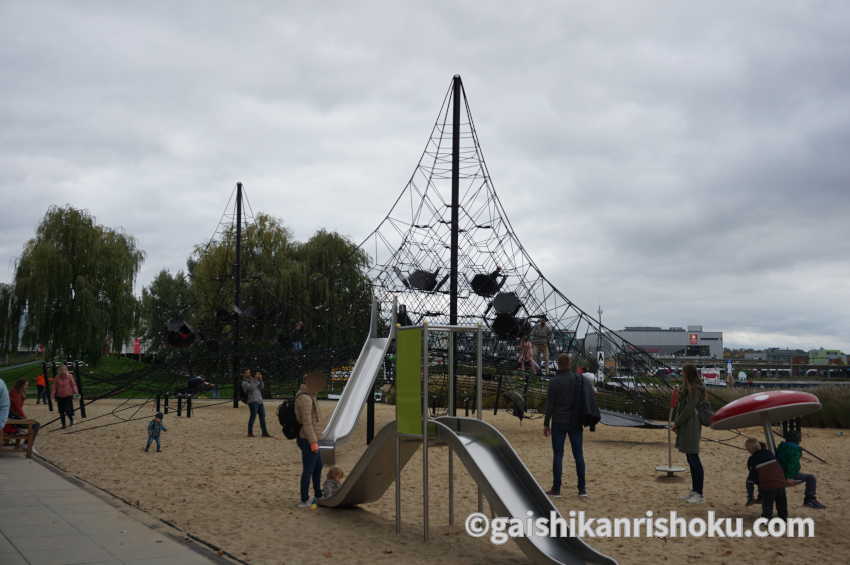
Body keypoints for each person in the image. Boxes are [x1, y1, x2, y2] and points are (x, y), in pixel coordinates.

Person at [543, 354, 599, 497]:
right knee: (578, 455)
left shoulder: (554, 382)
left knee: (558, 455)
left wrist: (546, 423)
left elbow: (550, 405)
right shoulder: (578, 379)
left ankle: (556, 489)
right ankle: (582, 489)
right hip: (575, 422)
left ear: (558, 364)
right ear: (570, 363)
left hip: (558, 422)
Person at [673, 364, 705, 504]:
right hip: (687, 425)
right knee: (691, 458)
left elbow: (689, 409)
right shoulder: (688, 389)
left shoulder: (695, 389)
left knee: (693, 458)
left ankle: (699, 493)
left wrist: (677, 423)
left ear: (688, 374)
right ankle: (694, 491)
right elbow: (683, 406)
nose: (681, 374)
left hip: (691, 425)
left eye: (683, 372)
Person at [295, 372, 325, 508]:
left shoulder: (311, 396)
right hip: (308, 439)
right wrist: (313, 442)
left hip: (313, 438)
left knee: (318, 466)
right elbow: (307, 423)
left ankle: (318, 494)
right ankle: (304, 498)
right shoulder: (305, 399)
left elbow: (315, 420)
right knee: (308, 469)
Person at [776, 429, 826, 509]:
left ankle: (810, 500)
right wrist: (789, 477)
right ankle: (810, 500)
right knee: (811, 478)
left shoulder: (782, 446)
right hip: (786, 474)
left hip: (779, 472)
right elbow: (791, 464)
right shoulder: (794, 449)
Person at [745, 437, 790, 520]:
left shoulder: (753, 459)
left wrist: (751, 496)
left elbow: (752, 479)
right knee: (781, 502)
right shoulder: (769, 453)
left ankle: (766, 517)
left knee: (767, 504)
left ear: (749, 450)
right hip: (781, 483)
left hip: (768, 486)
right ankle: (783, 518)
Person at [241, 369, 271, 437]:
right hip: (252, 401)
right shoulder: (244, 382)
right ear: (243, 374)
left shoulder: (253, 380)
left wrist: (260, 380)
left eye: (249, 372)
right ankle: (250, 432)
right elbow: (251, 388)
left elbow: (261, 387)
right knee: (253, 417)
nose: (249, 374)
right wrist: (254, 379)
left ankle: (264, 432)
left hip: (259, 401)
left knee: (262, 417)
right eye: (247, 373)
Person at [52, 365, 79, 429]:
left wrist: (76, 394)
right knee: (61, 411)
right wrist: (52, 396)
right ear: (59, 371)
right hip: (59, 396)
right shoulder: (57, 377)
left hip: (68, 395)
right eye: (61, 370)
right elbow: (54, 387)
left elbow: (73, 385)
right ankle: (63, 425)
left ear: (66, 370)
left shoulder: (70, 376)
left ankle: (71, 419)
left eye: (64, 370)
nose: (62, 371)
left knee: (67, 410)